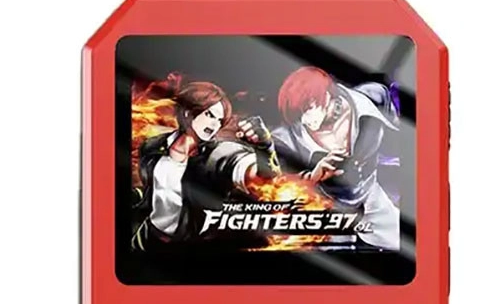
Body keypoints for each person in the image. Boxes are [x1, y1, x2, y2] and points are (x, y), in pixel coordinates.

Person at [132, 77, 280, 250]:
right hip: (147, 239)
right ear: (188, 112)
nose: (214, 124)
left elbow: (264, 181)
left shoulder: (221, 153)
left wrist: (264, 147)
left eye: (220, 120)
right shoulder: (152, 146)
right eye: (210, 115)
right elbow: (155, 188)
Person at [272, 66, 401, 250]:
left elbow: (399, 131)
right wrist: (313, 177)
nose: (306, 119)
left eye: (309, 107)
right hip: (324, 208)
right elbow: (279, 185)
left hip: (370, 194)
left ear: (326, 95)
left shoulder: (373, 97)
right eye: (300, 114)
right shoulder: (286, 139)